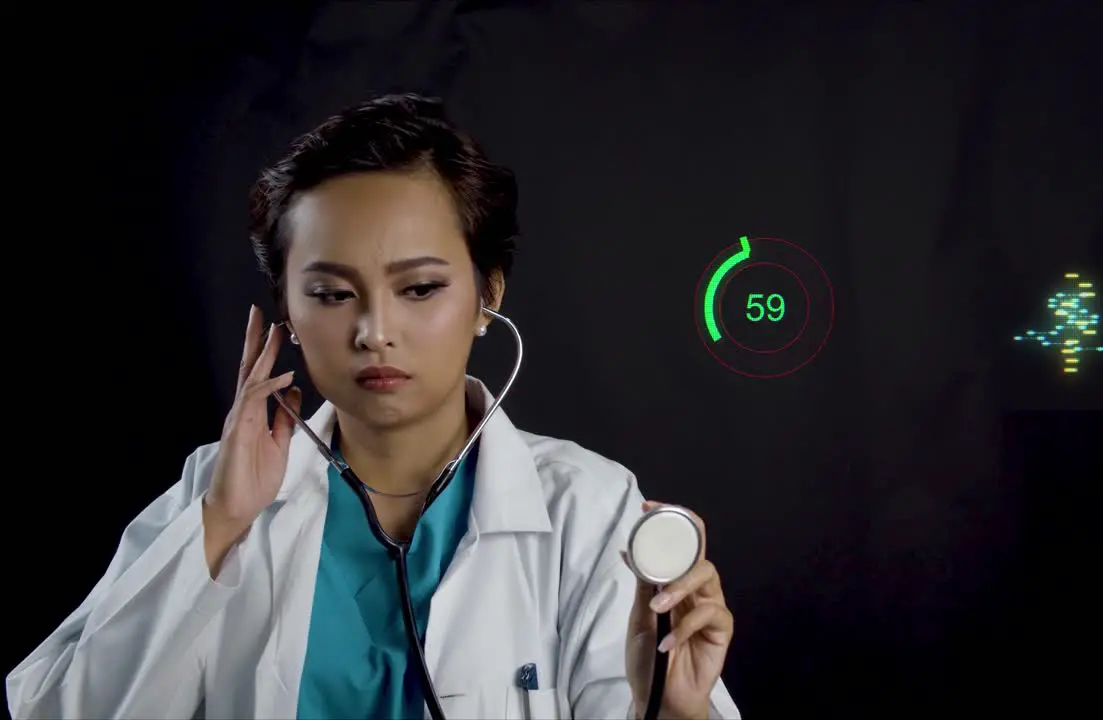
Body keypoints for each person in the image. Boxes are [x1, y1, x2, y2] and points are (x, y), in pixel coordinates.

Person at [6, 93, 739, 720]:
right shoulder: (218, 493)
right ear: (286, 313)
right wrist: (220, 526)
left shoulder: (590, 508)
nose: (373, 331)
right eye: (331, 294)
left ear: (489, 296)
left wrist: (677, 715)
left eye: (419, 288)